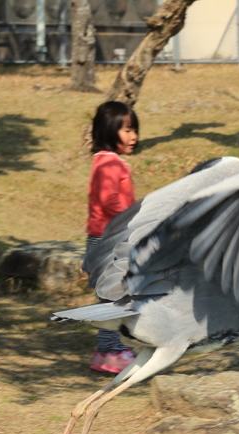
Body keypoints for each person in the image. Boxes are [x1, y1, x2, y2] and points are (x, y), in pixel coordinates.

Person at [85, 100, 139, 373]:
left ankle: (106, 351)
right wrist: (135, 216)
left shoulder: (108, 162)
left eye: (134, 130)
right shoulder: (108, 163)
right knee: (113, 297)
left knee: (113, 296)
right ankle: (112, 352)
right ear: (108, 131)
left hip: (109, 240)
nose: (133, 136)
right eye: (127, 130)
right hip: (109, 242)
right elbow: (110, 200)